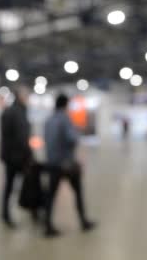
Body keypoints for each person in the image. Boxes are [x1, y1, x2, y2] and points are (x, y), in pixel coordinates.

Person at [44, 94, 96, 238]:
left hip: (52, 163)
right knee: (78, 192)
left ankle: (47, 225)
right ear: (66, 105)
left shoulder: (48, 120)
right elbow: (72, 138)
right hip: (66, 163)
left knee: (51, 195)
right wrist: (78, 131)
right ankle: (83, 221)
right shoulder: (65, 119)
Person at [0, 87, 33, 228]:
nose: (28, 98)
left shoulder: (8, 111)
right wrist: (29, 154)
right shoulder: (18, 112)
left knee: (9, 186)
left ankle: (6, 213)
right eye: (26, 95)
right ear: (20, 96)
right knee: (29, 183)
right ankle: (33, 209)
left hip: (9, 155)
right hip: (18, 156)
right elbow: (21, 136)